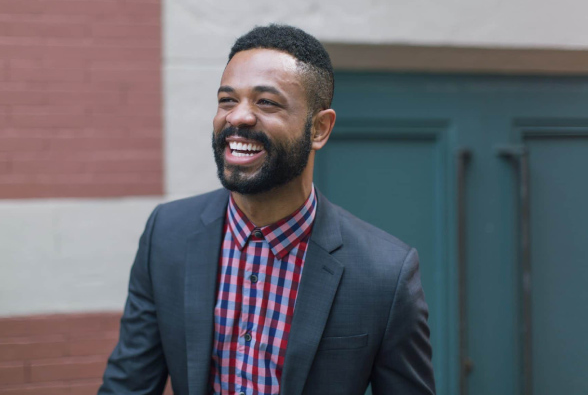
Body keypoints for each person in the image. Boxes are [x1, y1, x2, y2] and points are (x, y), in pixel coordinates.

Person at [99, 24, 435, 395]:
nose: (238, 117)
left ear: (319, 129)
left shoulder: (385, 274)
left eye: (266, 102)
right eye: (227, 100)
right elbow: (128, 386)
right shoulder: (166, 235)